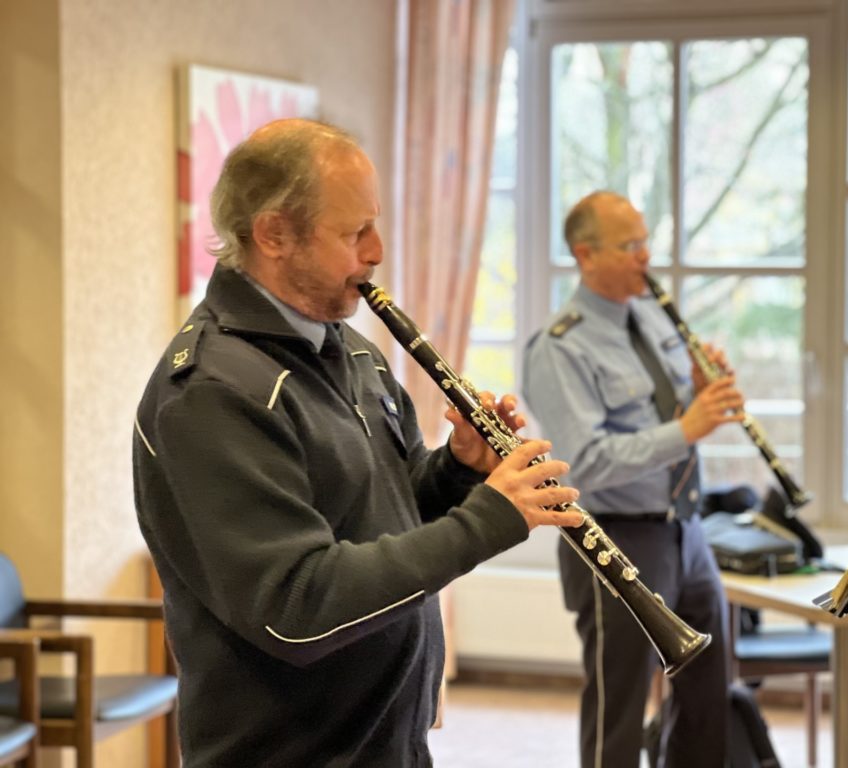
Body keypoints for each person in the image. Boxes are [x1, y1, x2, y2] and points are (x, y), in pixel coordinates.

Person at [132, 118, 582, 768]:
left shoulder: (350, 351)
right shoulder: (211, 393)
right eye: (354, 233)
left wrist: (457, 471)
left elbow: (382, 517)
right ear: (274, 234)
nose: (376, 251)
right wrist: (488, 521)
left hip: (389, 744)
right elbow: (297, 606)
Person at [522, 191, 746, 768]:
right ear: (585, 254)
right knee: (618, 707)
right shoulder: (560, 346)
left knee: (708, 695)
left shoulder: (650, 317)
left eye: (645, 242)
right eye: (629, 246)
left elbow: (669, 420)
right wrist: (688, 428)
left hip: (686, 531)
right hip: (613, 537)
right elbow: (585, 460)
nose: (645, 256)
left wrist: (702, 394)